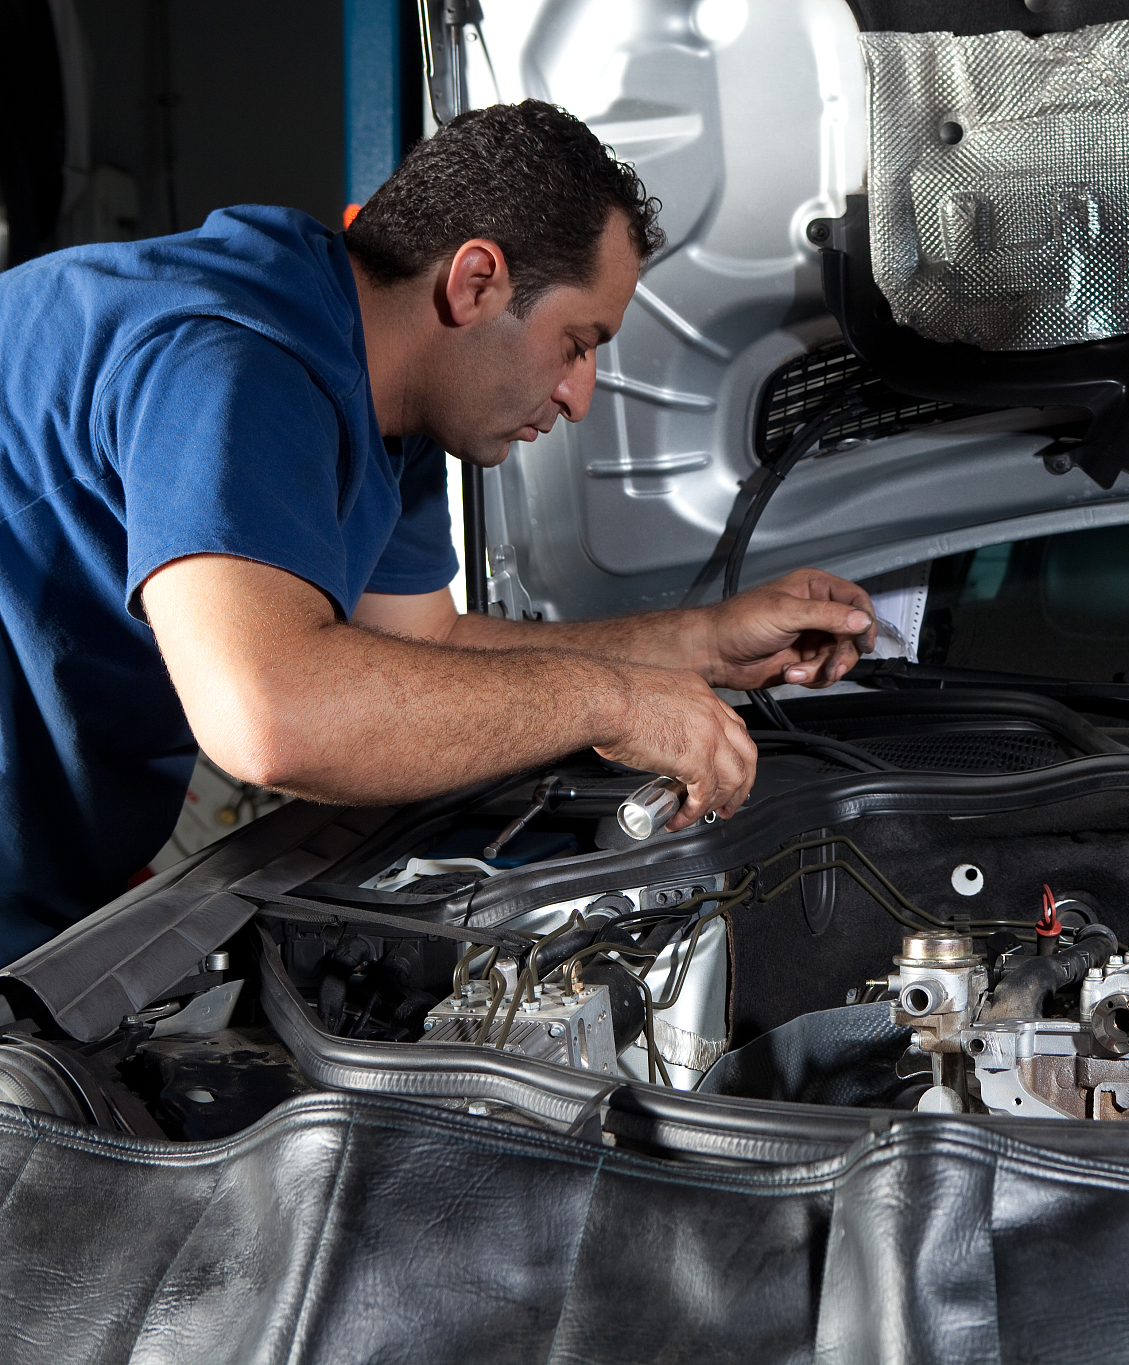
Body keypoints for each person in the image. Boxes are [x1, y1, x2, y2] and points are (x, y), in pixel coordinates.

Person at [0, 100, 873, 956]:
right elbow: (270, 714)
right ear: (474, 283)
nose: (581, 394)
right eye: (578, 341)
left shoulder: (382, 396)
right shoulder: (235, 356)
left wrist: (706, 645)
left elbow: (429, 646)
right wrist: (610, 700)